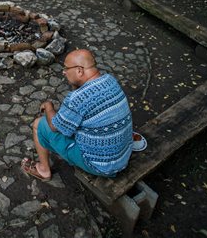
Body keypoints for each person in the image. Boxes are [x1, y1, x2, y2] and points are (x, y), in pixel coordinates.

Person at [21, 49, 133, 181]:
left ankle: (44, 170)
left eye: (66, 68)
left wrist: (48, 106)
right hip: (123, 155)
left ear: (79, 70)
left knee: (39, 124)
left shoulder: (78, 99)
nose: (63, 72)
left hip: (102, 166)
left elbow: (54, 126)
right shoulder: (110, 80)